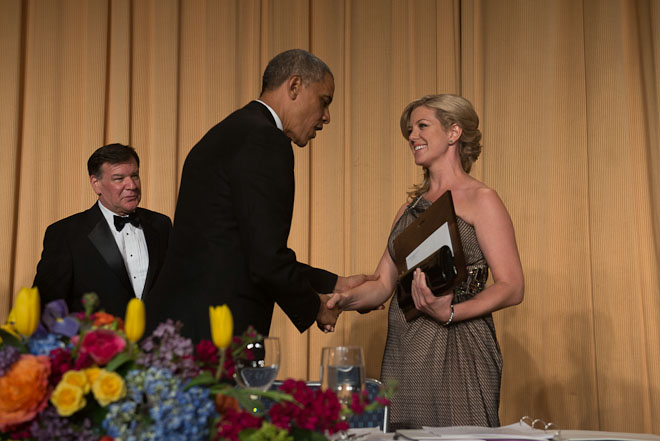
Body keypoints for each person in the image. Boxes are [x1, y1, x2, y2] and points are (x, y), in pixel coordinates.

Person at [144, 49, 370, 342]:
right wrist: (316, 307)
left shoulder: (227, 132)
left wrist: (336, 283)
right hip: (214, 335)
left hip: (181, 328)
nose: (326, 117)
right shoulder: (265, 140)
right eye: (324, 101)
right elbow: (265, 260)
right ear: (295, 86)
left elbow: (238, 248)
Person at [327, 94, 524, 429]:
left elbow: (512, 287)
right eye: (409, 130)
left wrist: (449, 312)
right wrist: (342, 300)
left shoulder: (481, 200)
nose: (412, 136)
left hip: (460, 343)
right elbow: (382, 285)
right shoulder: (408, 212)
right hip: (407, 346)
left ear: (454, 132)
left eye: (422, 126)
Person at [33, 143, 172, 317]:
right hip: (95, 341)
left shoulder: (161, 224)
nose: (132, 185)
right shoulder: (65, 233)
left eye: (135, 176)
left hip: (157, 342)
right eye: (119, 178)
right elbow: (47, 308)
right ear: (96, 183)